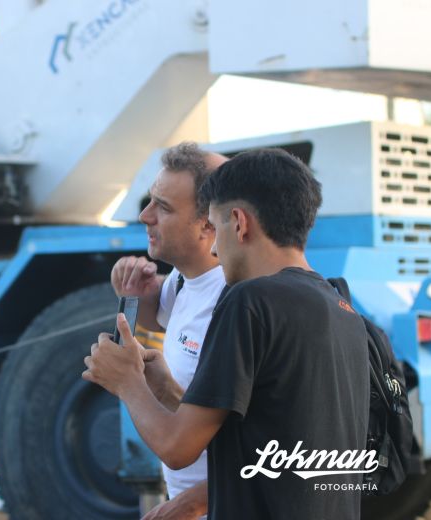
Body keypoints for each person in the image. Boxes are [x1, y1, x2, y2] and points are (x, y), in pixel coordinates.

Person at [84, 148, 369, 519]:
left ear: (238, 222)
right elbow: (274, 436)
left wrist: (126, 380)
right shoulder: (339, 304)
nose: (215, 246)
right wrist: (166, 389)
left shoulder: (248, 301)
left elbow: (177, 447)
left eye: (217, 226)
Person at [111, 142, 226, 519]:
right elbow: (161, 316)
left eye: (163, 206)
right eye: (149, 201)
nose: (145, 216)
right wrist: (137, 292)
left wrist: (129, 382)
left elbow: (268, 447)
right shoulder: (184, 280)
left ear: (209, 223)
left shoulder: (237, 304)